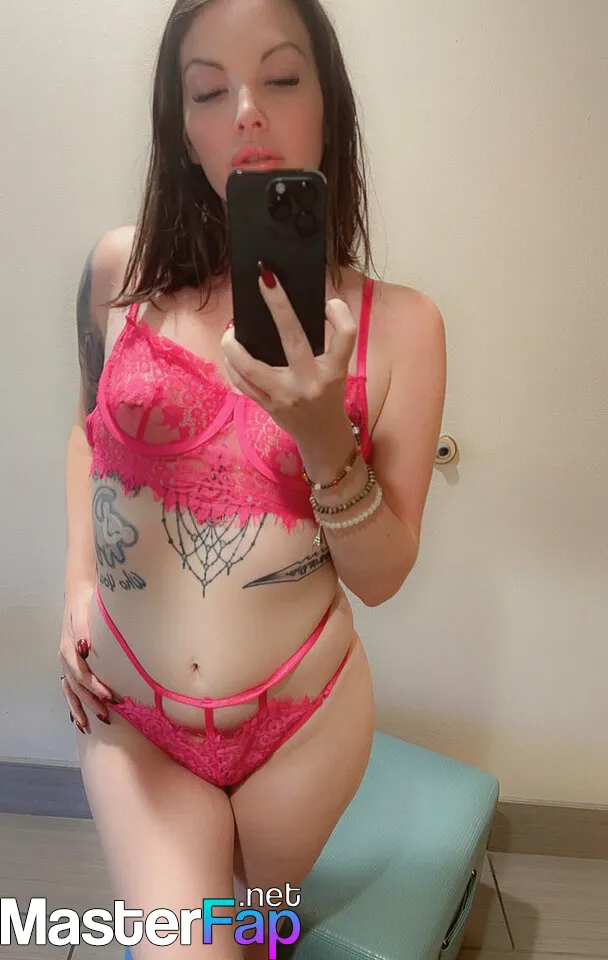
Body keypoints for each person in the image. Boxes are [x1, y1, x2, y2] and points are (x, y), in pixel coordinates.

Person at [58, 0, 446, 955]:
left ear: (328, 106)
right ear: (180, 127)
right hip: (134, 717)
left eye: (280, 78)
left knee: (257, 923)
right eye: (207, 91)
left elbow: (382, 575)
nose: (245, 111)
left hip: (304, 726)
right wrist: (78, 581)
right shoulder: (119, 273)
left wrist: (321, 436)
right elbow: (88, 433)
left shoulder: (404, 328)